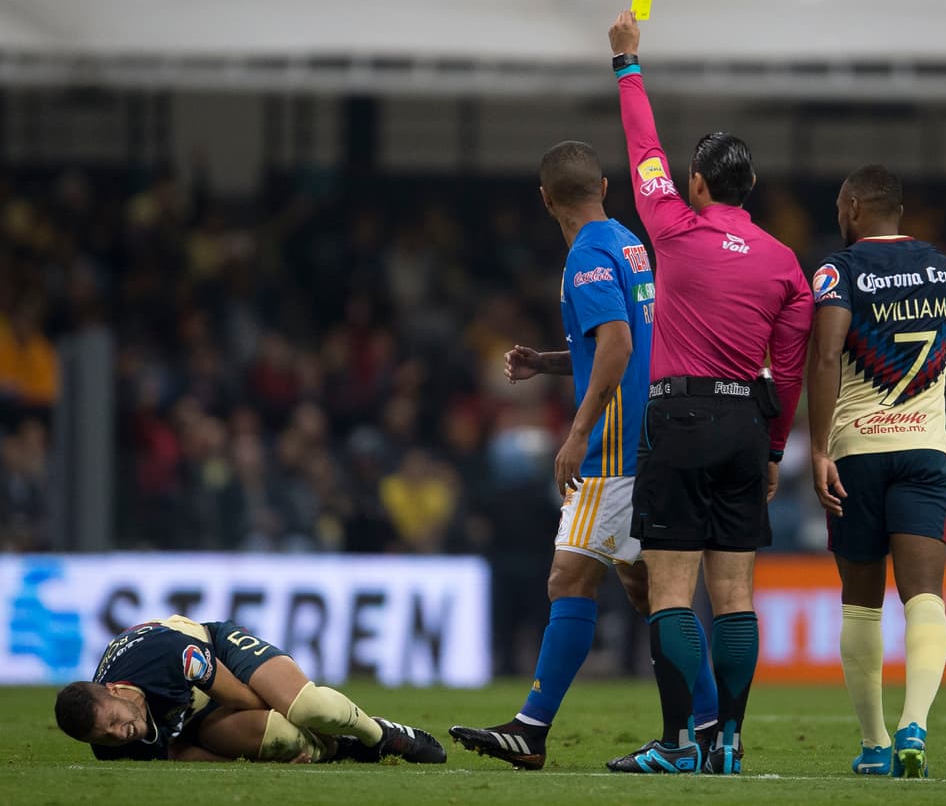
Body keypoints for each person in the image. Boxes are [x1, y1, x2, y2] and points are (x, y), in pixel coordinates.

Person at [449, 141, 718, 769]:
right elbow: (627, 340)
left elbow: (619, 345)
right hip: (652, 440)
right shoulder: (628, 242)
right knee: (653, 593)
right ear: (603, 185)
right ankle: (707, 728)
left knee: (569, 579)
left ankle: (531, 728)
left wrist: (575, 433)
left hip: (615, 451)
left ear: (545, 200)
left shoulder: (585, 257)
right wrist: (549, 362)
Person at [605, 12, 812, 775]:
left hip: (680, 415)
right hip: (743, 424)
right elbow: (786, 372)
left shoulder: (672, 226)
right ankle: (728, 740)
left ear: (698, 185)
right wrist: (774, 448)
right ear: (749, 187)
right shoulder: (785, 262)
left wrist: (628, 63)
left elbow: (642, 149)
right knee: (735, 595)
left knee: (670, 589)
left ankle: (673, 744)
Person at [807, 165, 946, 779]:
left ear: (851, 206)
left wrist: (817, 448)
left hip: (857, 452)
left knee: (862, 605)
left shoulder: (838, 270)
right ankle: (915, 724)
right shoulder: (943, 267)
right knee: (924, 596)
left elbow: (825, 354)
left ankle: (874, 744)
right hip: (926, 448)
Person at [54, 614, 446, 763]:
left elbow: (241, 696)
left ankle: (381, 735)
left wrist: (285, 708)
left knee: (305, 708)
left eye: (114, 722)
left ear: (117, 693)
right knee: (283, 740)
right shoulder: (112, 747)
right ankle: (340, 750)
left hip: (218, 655)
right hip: (196, 713)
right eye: (104, 738)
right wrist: (255, 763)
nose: (116, 734)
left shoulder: (166, 657)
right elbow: (177, 752)